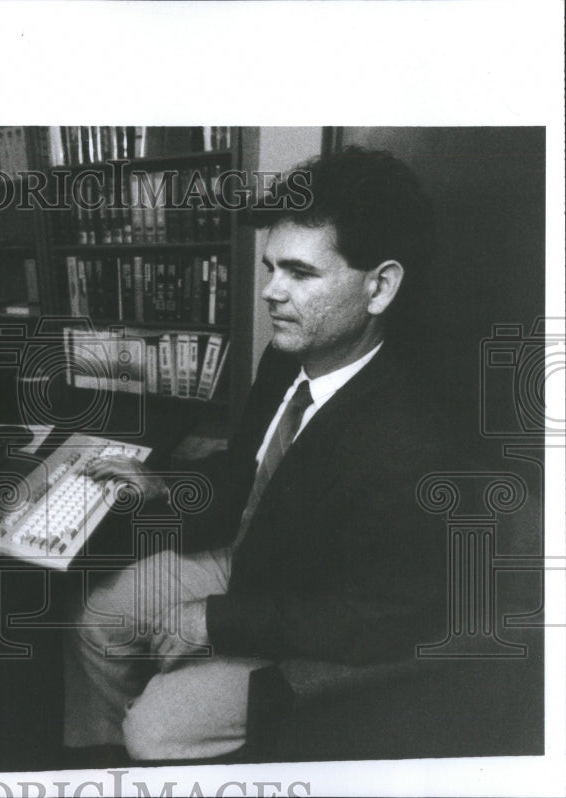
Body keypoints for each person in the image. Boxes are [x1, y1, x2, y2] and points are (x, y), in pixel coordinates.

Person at [63, 146, 453, 762]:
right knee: (100, 619)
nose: (270, 292)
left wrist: (213, 622)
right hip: (255, 555)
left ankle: (157, 744)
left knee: (155, 728)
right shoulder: (288, 357)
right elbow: (250, 469)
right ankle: (114, 767)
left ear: (380, 287)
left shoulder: (409, 441)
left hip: (308, 616)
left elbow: (380, 617)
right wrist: (162, 481)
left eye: (299, 274)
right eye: (271, 268)